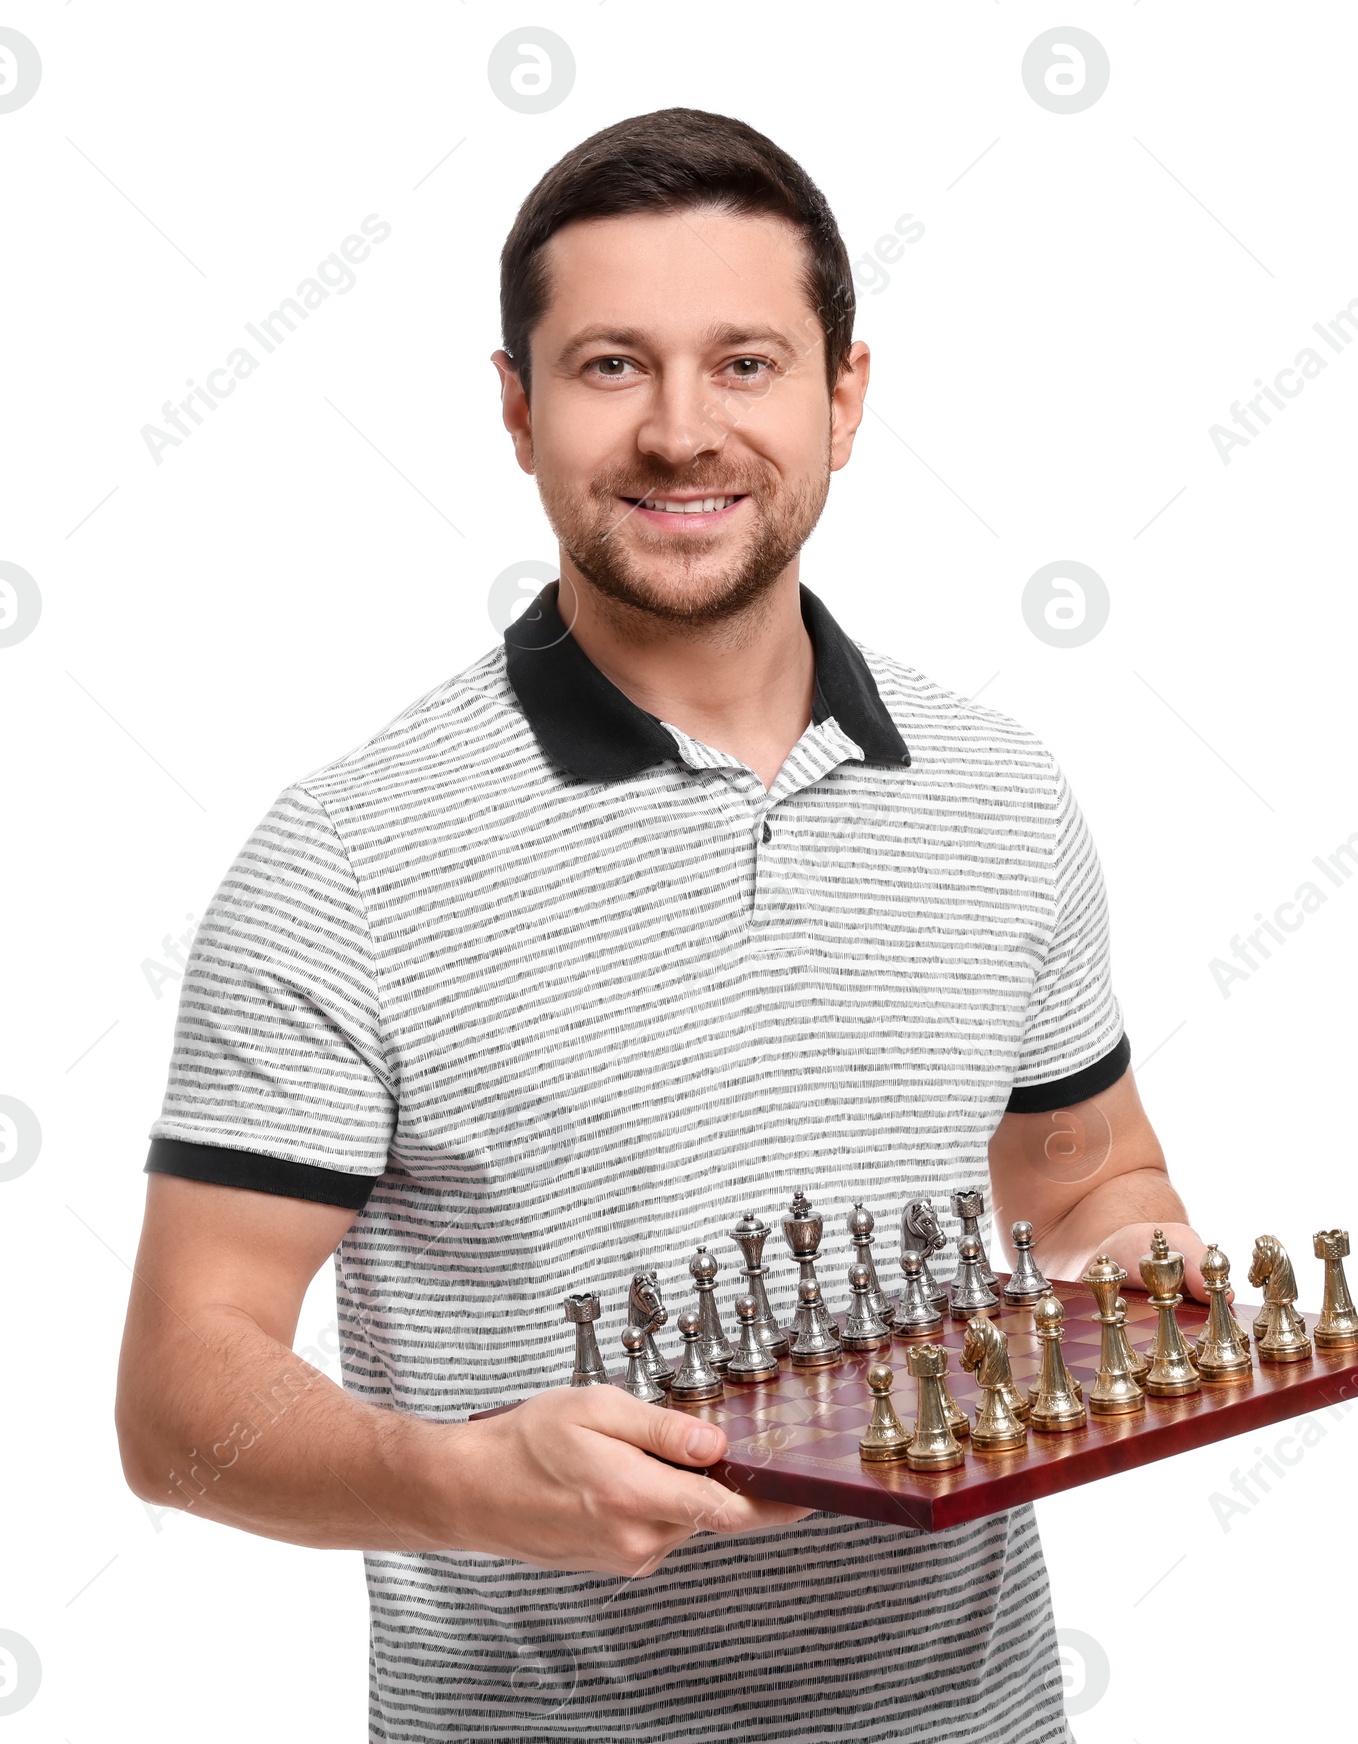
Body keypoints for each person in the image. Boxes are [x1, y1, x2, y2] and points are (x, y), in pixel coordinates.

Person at [116, 107, 1212, 1744]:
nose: (683, 432)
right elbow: (177, 1400)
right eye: (614, 365)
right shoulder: (346, 860)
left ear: (846, 398)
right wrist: (465, 1481)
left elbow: (1091, 1178)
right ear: (518, 407)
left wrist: (1141, 1279)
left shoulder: (1001, 797)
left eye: (749, 365)